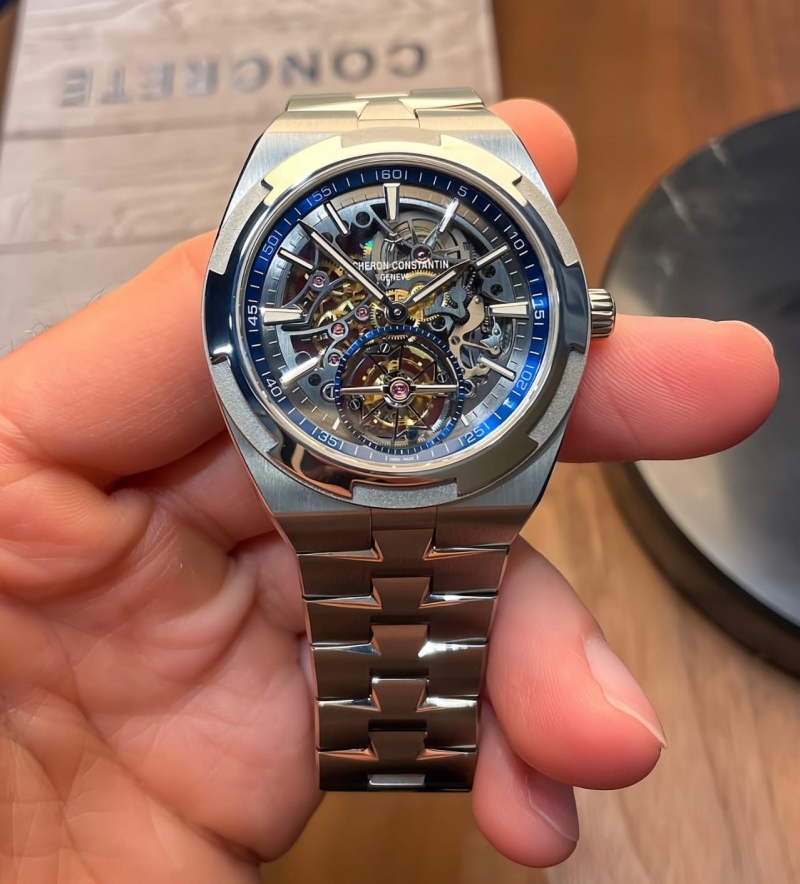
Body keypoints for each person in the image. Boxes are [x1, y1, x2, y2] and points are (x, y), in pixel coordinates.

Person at [0, 100, 779, 878]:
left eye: (419, 301)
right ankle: (388, 749)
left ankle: (397, 750)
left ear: (584, 320)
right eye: (374, 301)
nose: (401, 310)